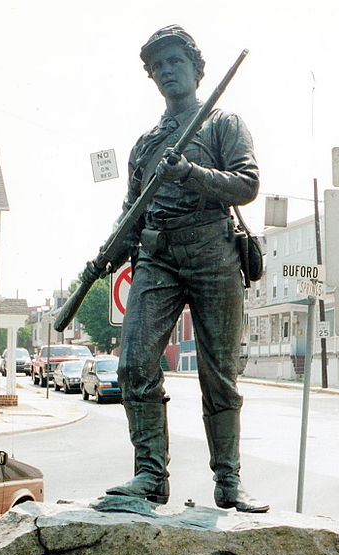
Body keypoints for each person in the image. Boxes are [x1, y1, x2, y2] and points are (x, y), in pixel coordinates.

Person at [106, 25, 268, 513]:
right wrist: (110, 250)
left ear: (196, 68)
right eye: (158, 66)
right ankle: (150, 476)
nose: (166, 71)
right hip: (157, 258)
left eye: (175, 60)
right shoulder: (144, 143)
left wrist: (192, 174)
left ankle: (230, 480)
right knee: (133, 362)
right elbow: (132, 209)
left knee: (219, 375)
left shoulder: (222, 123)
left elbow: (247, 184)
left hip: (213, 254)